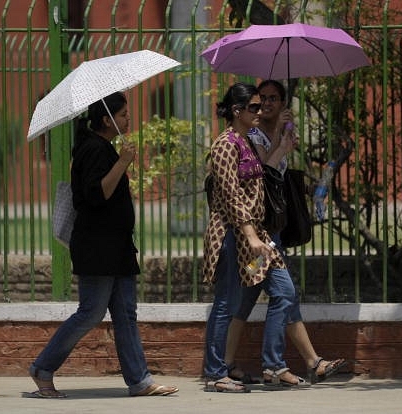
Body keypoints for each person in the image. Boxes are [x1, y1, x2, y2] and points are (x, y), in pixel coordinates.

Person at [28, 92, 178, 398]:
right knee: (90, 313)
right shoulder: (93, 149)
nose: (128, 120)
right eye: (123, 115)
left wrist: (121, 160)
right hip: (98, 249)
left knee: (125, 313)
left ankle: (139, 381)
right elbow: (97, 194)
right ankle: (42, 368)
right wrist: (123, 161)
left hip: (117, 248)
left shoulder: (103, 148)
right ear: (107, 120)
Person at [224, 80, 348, 385]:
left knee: (252, 296)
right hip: (259, 233)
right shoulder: (250, 135)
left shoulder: (277, 132)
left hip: (270, 229)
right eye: (260, 101)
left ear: (282, 102)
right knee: (285, 293)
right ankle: (277, 364)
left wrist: (310, 187)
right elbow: (262, 174)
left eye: (272, 99)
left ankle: (230, 362)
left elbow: (279, 179)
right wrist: (280, 142)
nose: (265, 105)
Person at [203, 82, 303, 392]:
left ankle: (273, 364)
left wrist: (283, 143)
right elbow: (231, 196)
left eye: (262, 106)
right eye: (254, 107)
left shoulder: (246, 143)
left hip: (258, 240)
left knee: (284, 291)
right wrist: (249, 234)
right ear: (237, 111)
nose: (260, 111)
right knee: (226, 303)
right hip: (235, 240)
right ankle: (216, 373)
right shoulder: (224, 145)